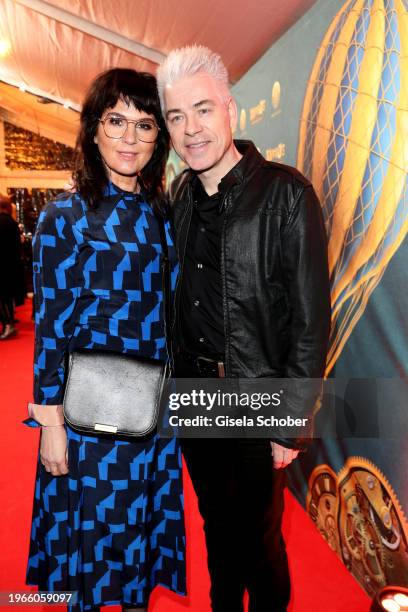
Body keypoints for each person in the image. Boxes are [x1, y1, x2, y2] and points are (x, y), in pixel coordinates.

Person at [157, 46, 331, 611]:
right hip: (195, 396)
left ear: (231, 109)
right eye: (177, 116)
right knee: (214, 524)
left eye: (203, 110)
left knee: (258, 539)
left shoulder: (286, 194)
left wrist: (291, 422)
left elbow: (310, 321)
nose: (191, 129)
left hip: (258, 400)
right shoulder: (182, 196)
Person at [25, 68, 186, 611]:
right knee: (90, 543)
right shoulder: (63, 218)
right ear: (92, 130)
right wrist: (50, 426)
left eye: (145, 125)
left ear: (159, 138)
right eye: (116, 121)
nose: (129, 138)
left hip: (153, 411)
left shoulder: (162, 214)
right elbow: (50, 329)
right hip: (89, 419)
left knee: (138, 535)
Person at [0, 194, 23, 339]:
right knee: (7, 298)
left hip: (2, 266)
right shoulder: (12, 222)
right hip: (11, 265)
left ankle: (8, 325)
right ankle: (9, 324)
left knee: (2, 299)